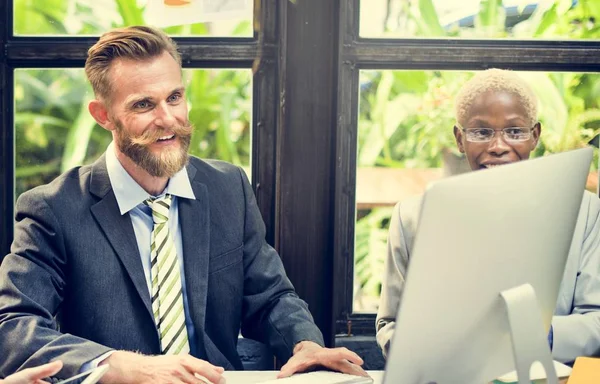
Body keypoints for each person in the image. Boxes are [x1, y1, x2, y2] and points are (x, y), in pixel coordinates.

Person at [0, 26, 368, 383]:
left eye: (174, 97)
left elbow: (269, 297)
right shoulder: (53, 209)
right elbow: (13, 328)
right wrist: (126, 368)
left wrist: (303, 344)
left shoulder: (228, 188)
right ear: (103, 116)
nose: (168, 119)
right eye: (144, 104)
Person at [376, 68, 600, 365]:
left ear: (535, 136)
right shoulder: (412, 217)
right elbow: (390, 325)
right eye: (481, 132)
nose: (498, 146)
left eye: (515, 131)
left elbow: (595, 321)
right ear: (459, 139)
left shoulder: (584, 211)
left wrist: (529, 335)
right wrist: (437, 347)